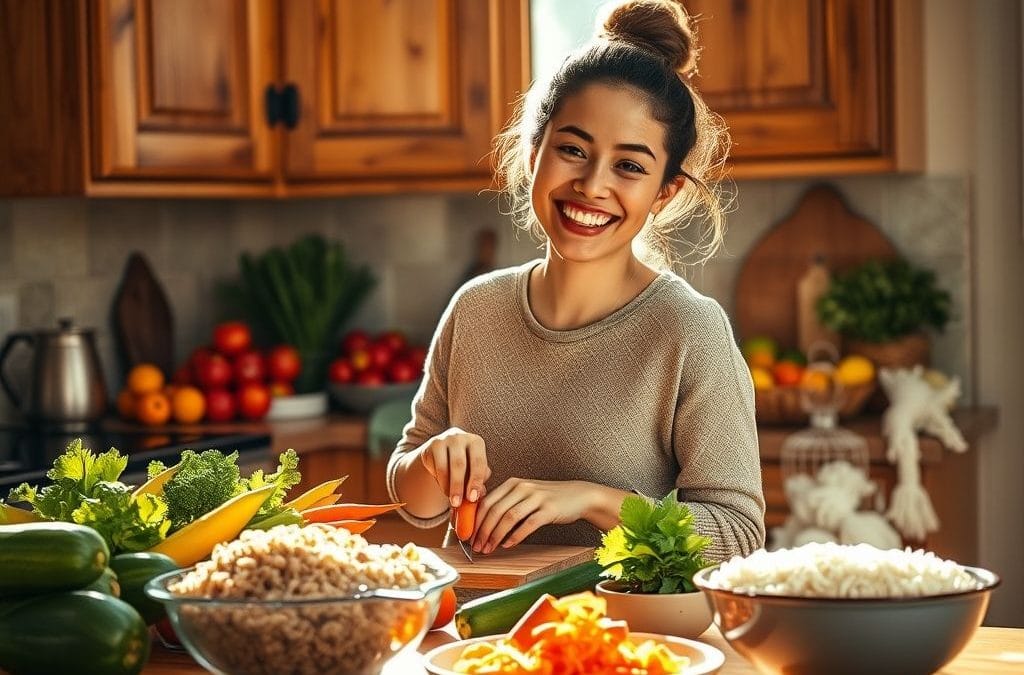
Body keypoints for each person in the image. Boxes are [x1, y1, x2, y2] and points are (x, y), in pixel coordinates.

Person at [387, 0, 765, 562]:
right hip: (471, 616)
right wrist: (432, 460)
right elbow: (414, 503)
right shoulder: (476, 308)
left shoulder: (689, 330)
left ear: (665, 193)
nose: (591, 185)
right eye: (572, 150)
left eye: (629, 166)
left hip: (617, 617)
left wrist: (593, 501)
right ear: (533, 154)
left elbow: (735, 537)